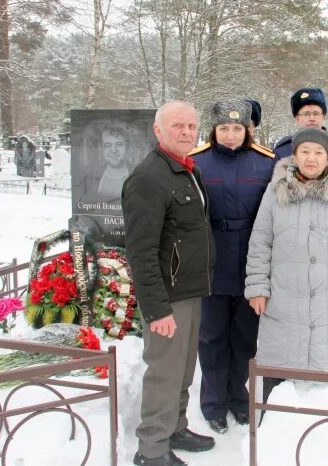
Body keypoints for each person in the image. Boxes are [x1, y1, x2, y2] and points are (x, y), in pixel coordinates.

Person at [244, 127, 328, 400]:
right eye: (305, 152)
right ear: (295, 156)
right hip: (283, 296)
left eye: (318, 153)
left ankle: (324, 424)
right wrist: (257, 287)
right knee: (280, 367)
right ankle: (274, 417)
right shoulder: (275, 190)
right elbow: (260, 241)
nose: (311, 158)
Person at [122, 101, 216, 466]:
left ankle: (175, 427)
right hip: (168, 297)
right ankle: (152, 449)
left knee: (184, 367)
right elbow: (141, 251)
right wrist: (157, 309)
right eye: (177, 125)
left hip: (189, 290)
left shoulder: (184, 169)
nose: (186, 132)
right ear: (158, 130)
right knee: (164, 372)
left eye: (191, 126)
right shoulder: (149, 178)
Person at [190, 100, 275, 434]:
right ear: (214, 130)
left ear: (248, 130)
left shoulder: (266, 163)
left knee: (244, 338)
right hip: (211, 258)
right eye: (224, 128)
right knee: (211, 336)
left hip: (251, 262)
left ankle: (239, 399)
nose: (230, 135)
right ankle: (213, 403)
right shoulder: (197, 162)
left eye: (237, 128)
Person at [272, 88, 328, 159]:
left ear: (324, 116)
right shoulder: (282, 151)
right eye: (306, 114)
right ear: (297, 118)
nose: (312, 118)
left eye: (316, 113)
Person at [96, 124, 132, 200]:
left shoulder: (137, 176)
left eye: (119, 144)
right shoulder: (92, 177)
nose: (113, 150)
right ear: (102, 149)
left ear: (128, 148)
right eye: (108, 145)